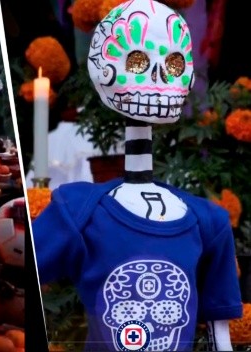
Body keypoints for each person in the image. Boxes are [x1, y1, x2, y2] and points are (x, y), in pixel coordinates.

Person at [32, 1, 242, 351]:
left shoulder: (208, 223)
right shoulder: (79, 212)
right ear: (106, 69)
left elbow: (220, 332)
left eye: (173, 64)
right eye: (139, 63)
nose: (159, 77)